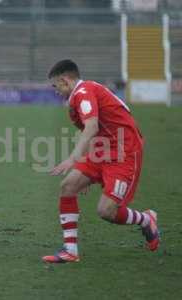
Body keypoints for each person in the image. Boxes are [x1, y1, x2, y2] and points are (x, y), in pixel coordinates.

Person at [42, 59, 159, 263]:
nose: (55, 90)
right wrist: (85, 168)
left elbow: (91, 127)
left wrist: (73, 159)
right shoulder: (76, 99)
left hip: (124, 152)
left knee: (107, 212)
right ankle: (71, 251)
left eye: (56, 85)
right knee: (69, 186)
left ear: (65, 80)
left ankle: (146, 219)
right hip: (102, 151)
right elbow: (93, 131)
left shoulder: (83, 93)